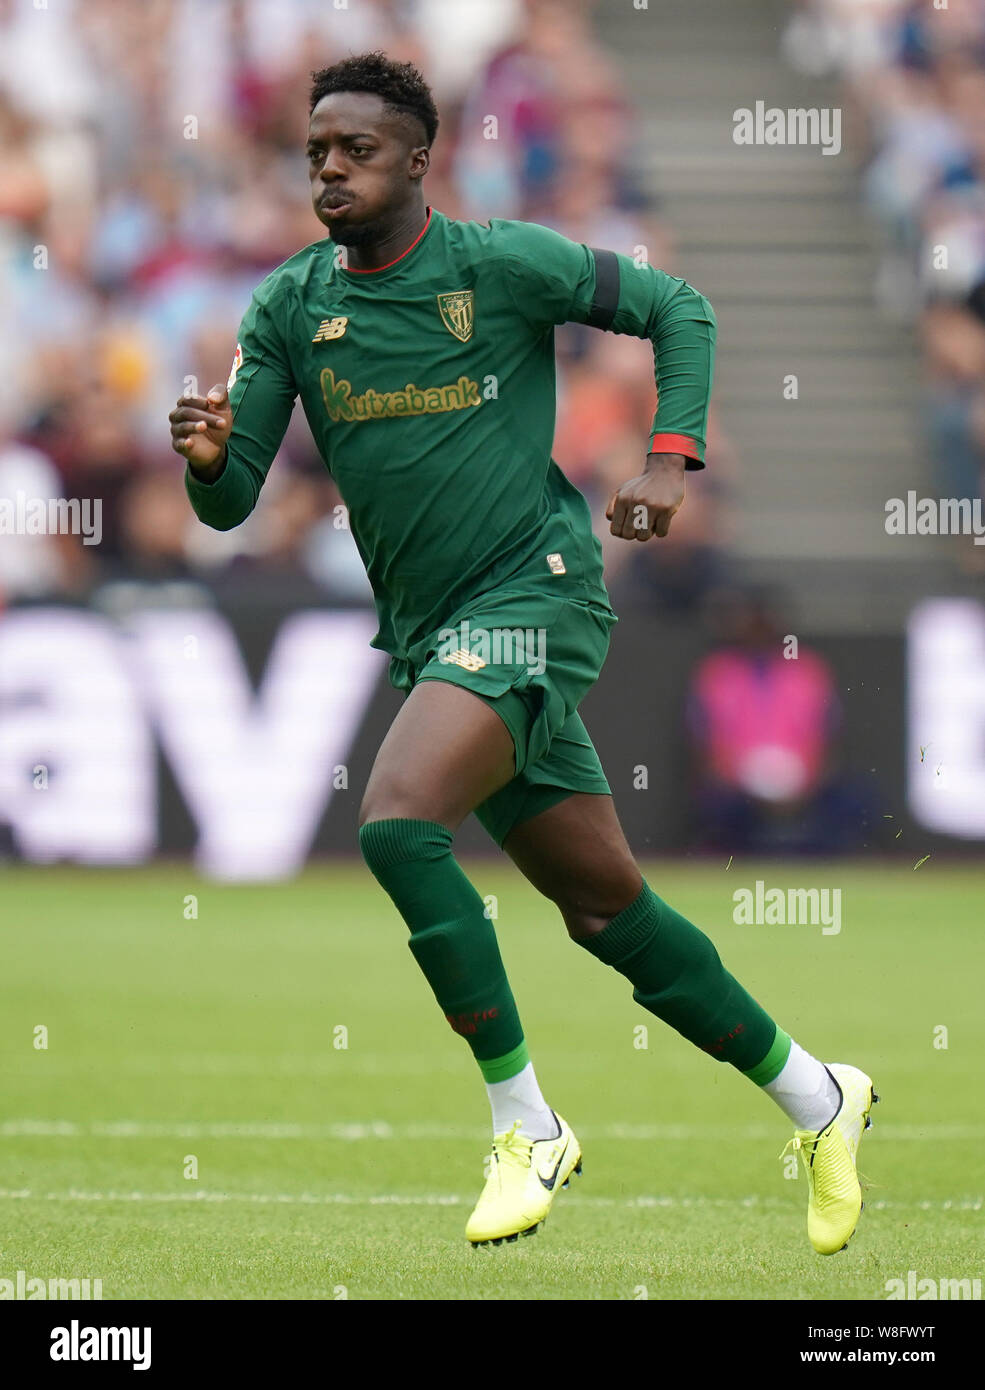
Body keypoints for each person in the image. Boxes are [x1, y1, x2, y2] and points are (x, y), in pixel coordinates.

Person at [170, 52, 875, 1254]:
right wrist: (206, 456)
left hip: (534, 594)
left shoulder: (498, 265)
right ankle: (820, 1096)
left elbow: (676, 306)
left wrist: (668, 459)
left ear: (417, 159)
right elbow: (234, 503)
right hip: (434, 634)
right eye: (315, 154)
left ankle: (527, 1121)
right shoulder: (289, 306)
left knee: (396, 821)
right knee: (606, 911)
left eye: (356, 151)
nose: (330, 171)